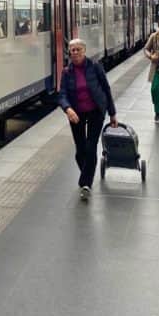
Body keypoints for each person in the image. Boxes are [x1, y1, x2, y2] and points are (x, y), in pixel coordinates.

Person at [58, 39, 117, 201]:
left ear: (84, 51)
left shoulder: (95, 67)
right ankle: (87, 173)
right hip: (76, 113)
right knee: (80, 151)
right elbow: (62, 94)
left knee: (91, 147)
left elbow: (106, 88)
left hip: (96, 111)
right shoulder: (66, 72)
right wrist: (67, 109)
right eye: (72, 50)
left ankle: (86, 184)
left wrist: (112, 113)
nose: (75, 53)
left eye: (78, 50)